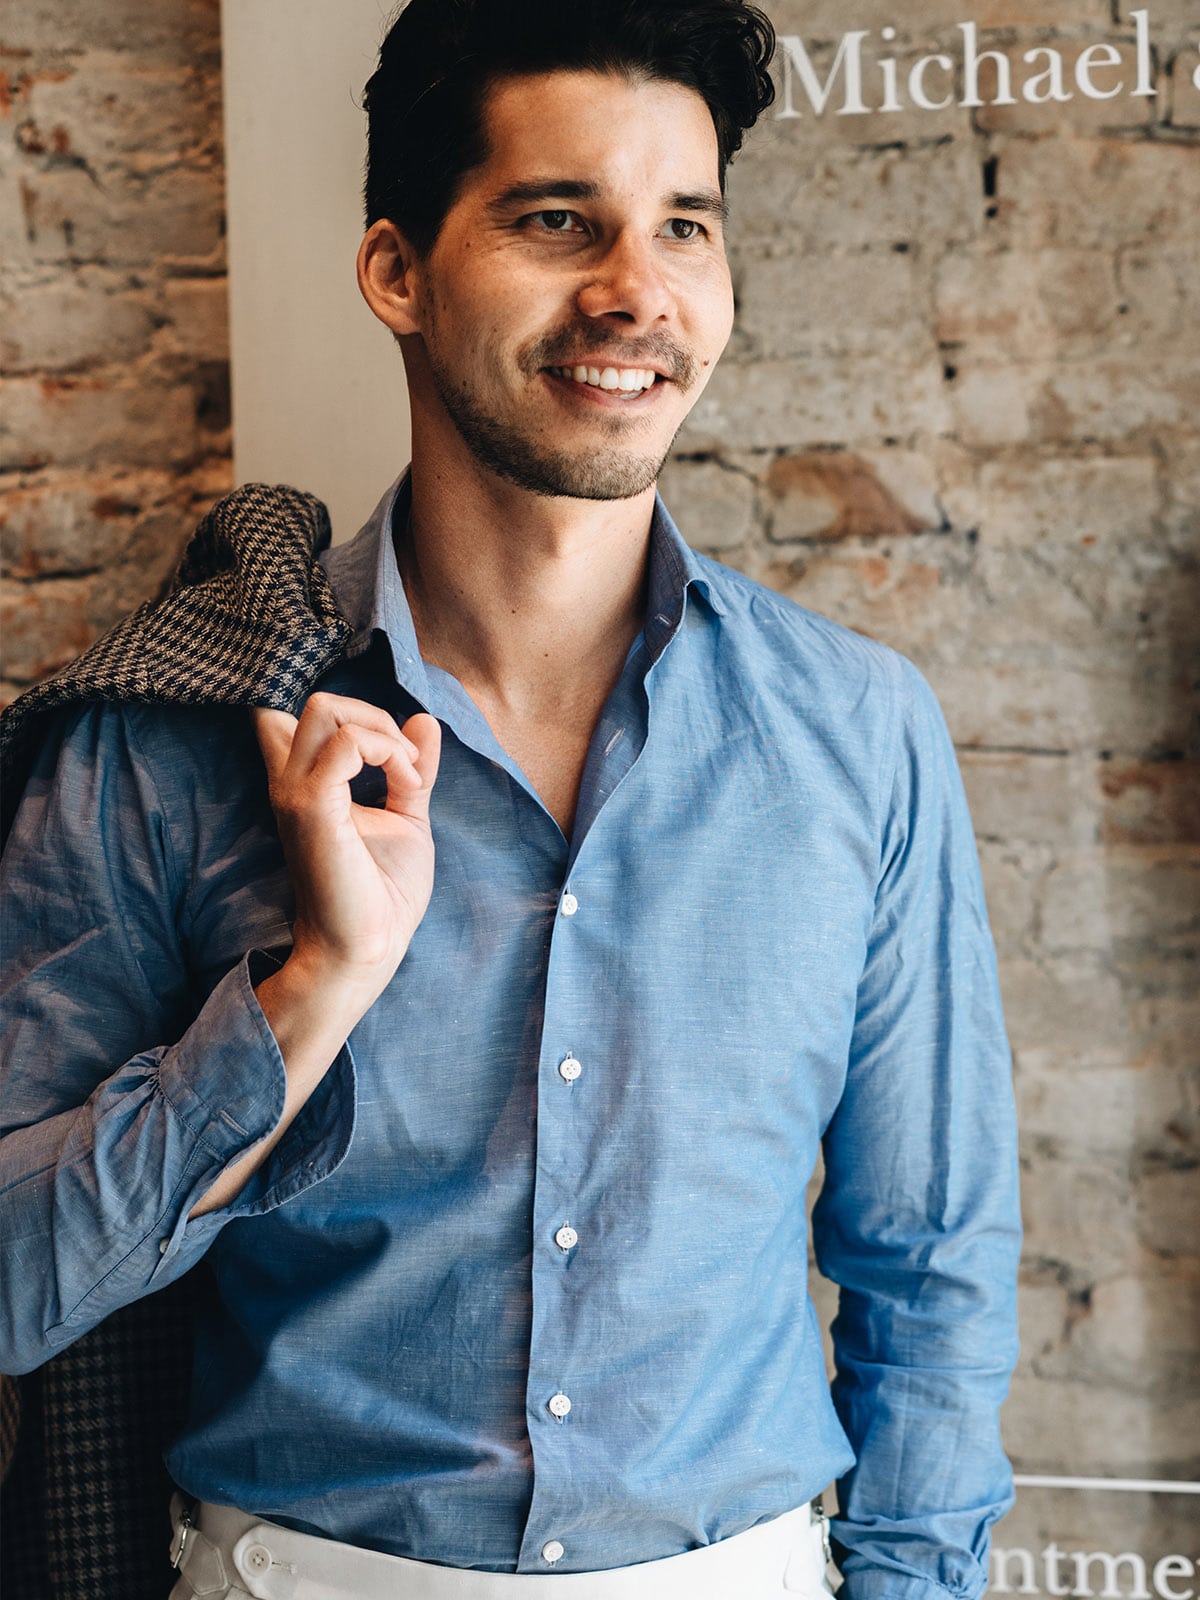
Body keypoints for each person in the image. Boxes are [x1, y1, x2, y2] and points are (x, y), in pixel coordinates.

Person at [0, 1, 1022, 1596]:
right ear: (397, 270)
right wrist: (310, 993)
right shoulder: (170, 738)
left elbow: (933, 1273)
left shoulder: (860, 733)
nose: (636, 292)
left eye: (683, 226)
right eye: (557, 220)